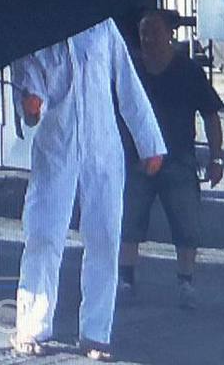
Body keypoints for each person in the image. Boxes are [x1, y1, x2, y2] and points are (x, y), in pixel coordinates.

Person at [10, 20, 166, 361]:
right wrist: (31, 106)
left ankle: (96, 333)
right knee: (44, 234)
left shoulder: (103, 28)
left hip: (103, 149)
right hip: (57, 149)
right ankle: (31, 327)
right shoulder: (35, 33)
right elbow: (29, 100)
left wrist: (149, 143)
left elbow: (128, 86)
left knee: (105, 238)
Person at [118, 7, 224, 310]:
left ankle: (186, 283)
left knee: (186, 225)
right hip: (137, 161)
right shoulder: (132, 69)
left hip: (179, 160)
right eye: (143, 32)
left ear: (170, 34)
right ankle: (126, 280)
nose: (148, 38)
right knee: (129, 222)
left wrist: (216, 159)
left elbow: (211, 116)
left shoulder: (188, 70)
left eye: (154, 31)